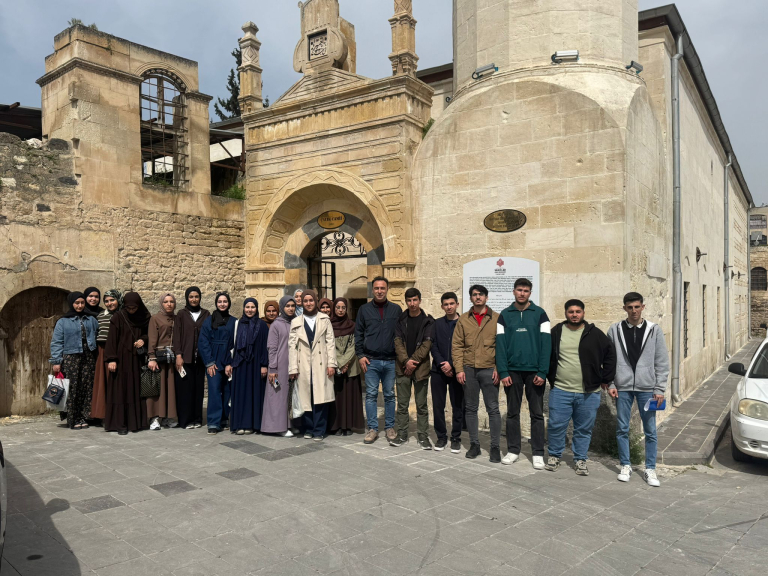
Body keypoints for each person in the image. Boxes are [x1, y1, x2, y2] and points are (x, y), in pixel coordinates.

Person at [545, 299, 616, 476]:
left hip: (589, 392)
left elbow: (610, 354)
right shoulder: (556, 332)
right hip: (561, 389)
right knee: (555, 425)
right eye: (571, 312)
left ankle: (580, 459)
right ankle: (554, 455)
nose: (574, 315)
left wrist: (606, 378)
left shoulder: (595, 334)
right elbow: (545, 354)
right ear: (565, 313)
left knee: (583, 428)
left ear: (583, 313)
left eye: (578, 311)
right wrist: (547, 375)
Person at [607, 292, 669, 487]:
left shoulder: (654, 330)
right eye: (630, 307)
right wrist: (611, 383)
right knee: (622, 428)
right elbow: (608, 360)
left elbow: (661, 361)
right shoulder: (615, 330)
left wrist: (659, 388)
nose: (633, 311)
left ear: (643, 307)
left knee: (650, 430)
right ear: (624, 308)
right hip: (623, 387)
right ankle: (625, 465)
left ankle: (650, 468)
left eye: (637, 307)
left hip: (647, 389)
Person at [496, 278, 552, 469]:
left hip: (535, 372)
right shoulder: (504, 315)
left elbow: (546, 345)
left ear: (530, 293)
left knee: (537, 413)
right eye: (519, 290)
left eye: (526, 290)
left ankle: (538, 453)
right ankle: (513, 450)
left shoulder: (540, 314)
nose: (522, 293)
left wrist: (543, 372)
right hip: (512, 372)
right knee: (512, 413)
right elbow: (500, 346)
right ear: (514, 291)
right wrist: (503, 371)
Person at [452, 285, 500, 461]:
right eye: (474, 295)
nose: (478, 297)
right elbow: (457, 346)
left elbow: (503, 346)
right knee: (471, 408)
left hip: (489, 369)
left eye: (481, 294)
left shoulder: (497, 319)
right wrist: (459, 369)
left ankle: (495, 447)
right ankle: (474, 444)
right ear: (471, 298)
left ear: (486, 297)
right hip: (469, 370)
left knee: (493, 409)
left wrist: (499, 369)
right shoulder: (464, 320)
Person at [355, 277, 402, 444]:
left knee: (389, 395)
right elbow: (358, 333)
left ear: (387, 289)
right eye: (376, 288)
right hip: (371, 360)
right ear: (372, 290)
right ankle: (373, 429)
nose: (380, 291)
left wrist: (400, 357)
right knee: (371, 395)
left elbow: (401, 334)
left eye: (382, 288)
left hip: (390, 360)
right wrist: (360, 355)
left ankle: (389, 427)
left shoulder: (396, 309)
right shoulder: (364, 309)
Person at [289, 290, 337, 440]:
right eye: (305, 301)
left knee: (320, 397)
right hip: (303, 364)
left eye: (311, 300)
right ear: (302, 303)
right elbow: (292, 347)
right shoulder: (296, 322)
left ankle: (319, 429)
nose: (308, 303)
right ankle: (308, 428)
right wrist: (293, 367)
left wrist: (331, 364)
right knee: (305, 397)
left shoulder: (324, 319)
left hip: (321, 363)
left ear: (316, 301)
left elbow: (330, 342)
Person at [392, 288, 435, 449]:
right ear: (406, 302)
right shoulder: (400, 320)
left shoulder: (428, 321)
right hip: (402, 368)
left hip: (420, 369)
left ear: (420, 300)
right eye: (409, 300)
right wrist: (406, 361)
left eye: (415, 300)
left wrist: (412, 362)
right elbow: (397, 342)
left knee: (421, 405)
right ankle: (402, 434)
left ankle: (423, 436)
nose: (412, 303)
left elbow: (426, 345)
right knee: (402, 404)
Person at [49, 292, 99, 429]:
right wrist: (56, 361)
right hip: (71, 358)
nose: (80, 306)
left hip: (88, 357)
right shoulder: (63, 321)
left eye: (82, 303)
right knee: (72, 388)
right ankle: (73, 418)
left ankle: (84, 416)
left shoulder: (91, 319)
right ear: (71, 304)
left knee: (86, 387)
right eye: (77, 303)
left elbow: (97, 336)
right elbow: (57, 342)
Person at [104, 292, 150, 434]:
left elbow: (149, 333)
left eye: (134, 308)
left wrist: (143, 340)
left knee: (135, 389)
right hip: (121, 359)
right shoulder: (118, 317)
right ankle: (121, 424)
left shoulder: (144, 317)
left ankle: (135, 423)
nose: (131, 311)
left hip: (136, 359)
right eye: (128, 308)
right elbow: (111, 339)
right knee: (121, 390)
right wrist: (112, 359)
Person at [198, 292, 236, 434]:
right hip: (213, 361)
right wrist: (209, 362)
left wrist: (230, 363)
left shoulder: (234, 321)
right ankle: (213, 422)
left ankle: (224, 418)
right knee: (214, 390)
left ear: (229, 303)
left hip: (227, 360)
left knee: (227, 390)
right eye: (219, 301)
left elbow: (236, 343)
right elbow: (203, 342)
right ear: (216, 303)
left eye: (225, 301)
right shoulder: (209, 321)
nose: (222, 304)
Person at [230, 298, 269, 435]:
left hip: (256, 364)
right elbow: (233, 344)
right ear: (243, 308)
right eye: (247, 307)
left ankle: (253, 424)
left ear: (256, 309)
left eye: (252, 307)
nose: (250, 310)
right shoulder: (239, 323)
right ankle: (240, 424)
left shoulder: (262, 325)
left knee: (254, 394)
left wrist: (264, 364)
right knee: (241, 394)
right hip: (241, 364)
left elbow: (265, 346)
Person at [430, 291, 464, 453]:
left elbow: (465, 347)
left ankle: (456, 437)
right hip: (438, 370)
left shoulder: (463, 323)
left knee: (458, 405)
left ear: (457, 304)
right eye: (446, 304)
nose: (449, 307)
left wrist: (452, 365)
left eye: (451, 303)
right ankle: (441, 437)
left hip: (458, 371)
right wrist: (442, 364)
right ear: (442, 306)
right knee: (438, 405)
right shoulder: (437, 324)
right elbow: (433, 345)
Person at [173, 286, 210, 430]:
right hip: (185, 358)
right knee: (185, 390)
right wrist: (178, 355)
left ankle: (197, 419)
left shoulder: (206, 314)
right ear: (187, 298)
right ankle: (186, 420)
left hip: (200, 359)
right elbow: (177, 336)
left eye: (196, 297)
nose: (194, 299)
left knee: (198, 390)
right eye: (191, 297)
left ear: (200, 298)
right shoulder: (181, 314)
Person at [329, 297, 365, 436]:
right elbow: (329, 345)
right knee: (337, 397)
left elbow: (354, 345)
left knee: (349, 397)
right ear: (334, 309)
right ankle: (337, 425)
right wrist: (338, 363)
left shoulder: (353, 325)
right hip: (335, 366)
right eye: (338, 307)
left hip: (350, 367)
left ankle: (348, 425)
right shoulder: (329, 325)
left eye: (343, 307)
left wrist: (345, 363)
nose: (340, 310)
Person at [264, 296, 297, 437]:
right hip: (278, 368)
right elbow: (272, 348)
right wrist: (272, 368)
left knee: (289, 395)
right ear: (282, 307)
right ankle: (277, 427)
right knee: (277, 394)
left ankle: (289, 424)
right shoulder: (276, 325)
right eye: (287, 306)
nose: (290, 308)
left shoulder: (296, 322)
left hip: (292, 365)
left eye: (293, 306)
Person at [146, 293, 178, 430]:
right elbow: (152, 338)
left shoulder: (177, 318)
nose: (169, 304)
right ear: (161, 303)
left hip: (172, 359)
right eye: (165, 302)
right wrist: (152, 358)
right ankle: (154, 418)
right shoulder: (155, 318)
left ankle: (167, 417)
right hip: (159, 358)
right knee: (157, 388)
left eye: (171, 301)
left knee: (170, 389)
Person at [91, 289, 122, 422]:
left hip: (120, 351)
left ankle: (119, 414)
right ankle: (105, 415)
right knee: (104, 382)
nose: (109, 303)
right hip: (103, 351)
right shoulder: (101, 316)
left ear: (118, 300)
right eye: (106, 301)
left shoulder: (124, 314)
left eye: (112, 300)